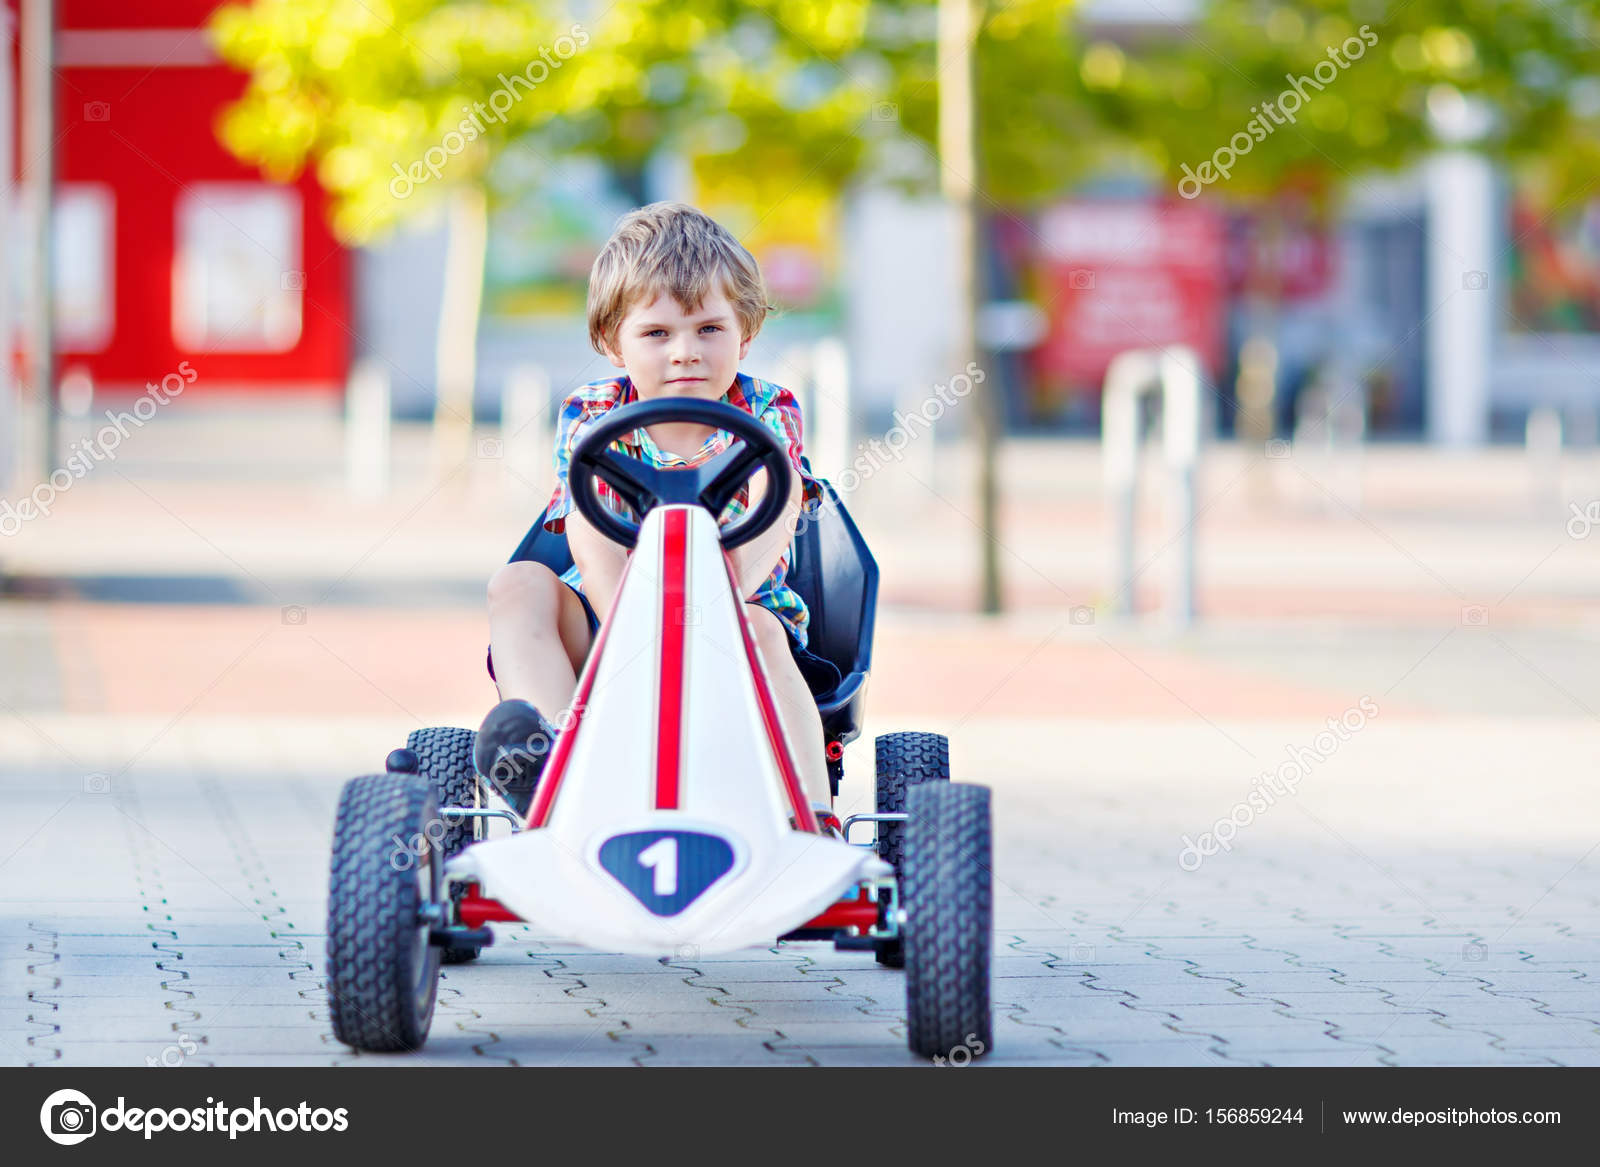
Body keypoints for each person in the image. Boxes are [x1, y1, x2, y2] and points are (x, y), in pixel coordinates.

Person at [475, 201, 839, 830]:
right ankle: (560, 773)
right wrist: (631, 627)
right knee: (517, 585)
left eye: (708, 330)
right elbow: (587, 528)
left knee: (760, 631)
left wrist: (714, 609)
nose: (685, 353)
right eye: (657, 334)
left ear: (745, 334)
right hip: (613, 614)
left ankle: (810, 822)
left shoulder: (765, 410)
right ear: (612, 344)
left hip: (737, 609)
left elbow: (773, 508)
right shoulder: (593, 413)